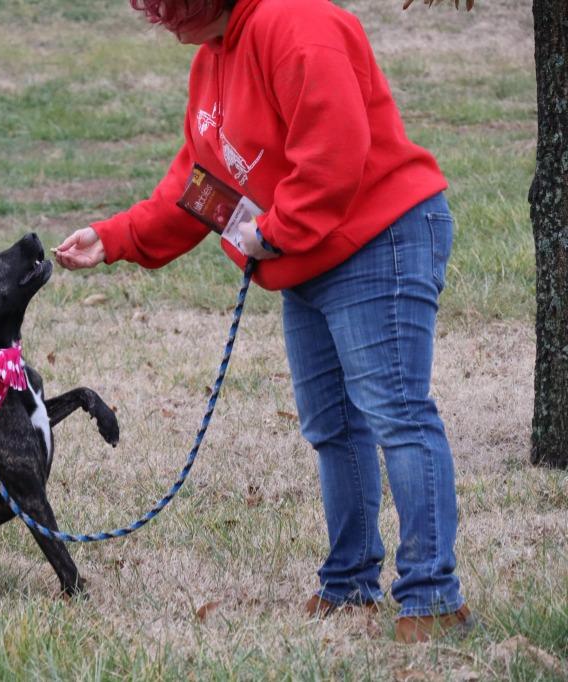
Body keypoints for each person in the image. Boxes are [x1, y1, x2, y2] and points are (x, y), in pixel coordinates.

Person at [54, 0, 475, 643]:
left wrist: (274, 233)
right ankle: (349, 586)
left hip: (378, 237)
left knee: (396, 414)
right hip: (303, 255)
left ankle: (432, 599)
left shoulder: (298, 25)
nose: (159, 15)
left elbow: (335, 154)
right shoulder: (211, 62)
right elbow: (198, 187)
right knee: (333, 426)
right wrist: (112, 239)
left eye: (168, 2)